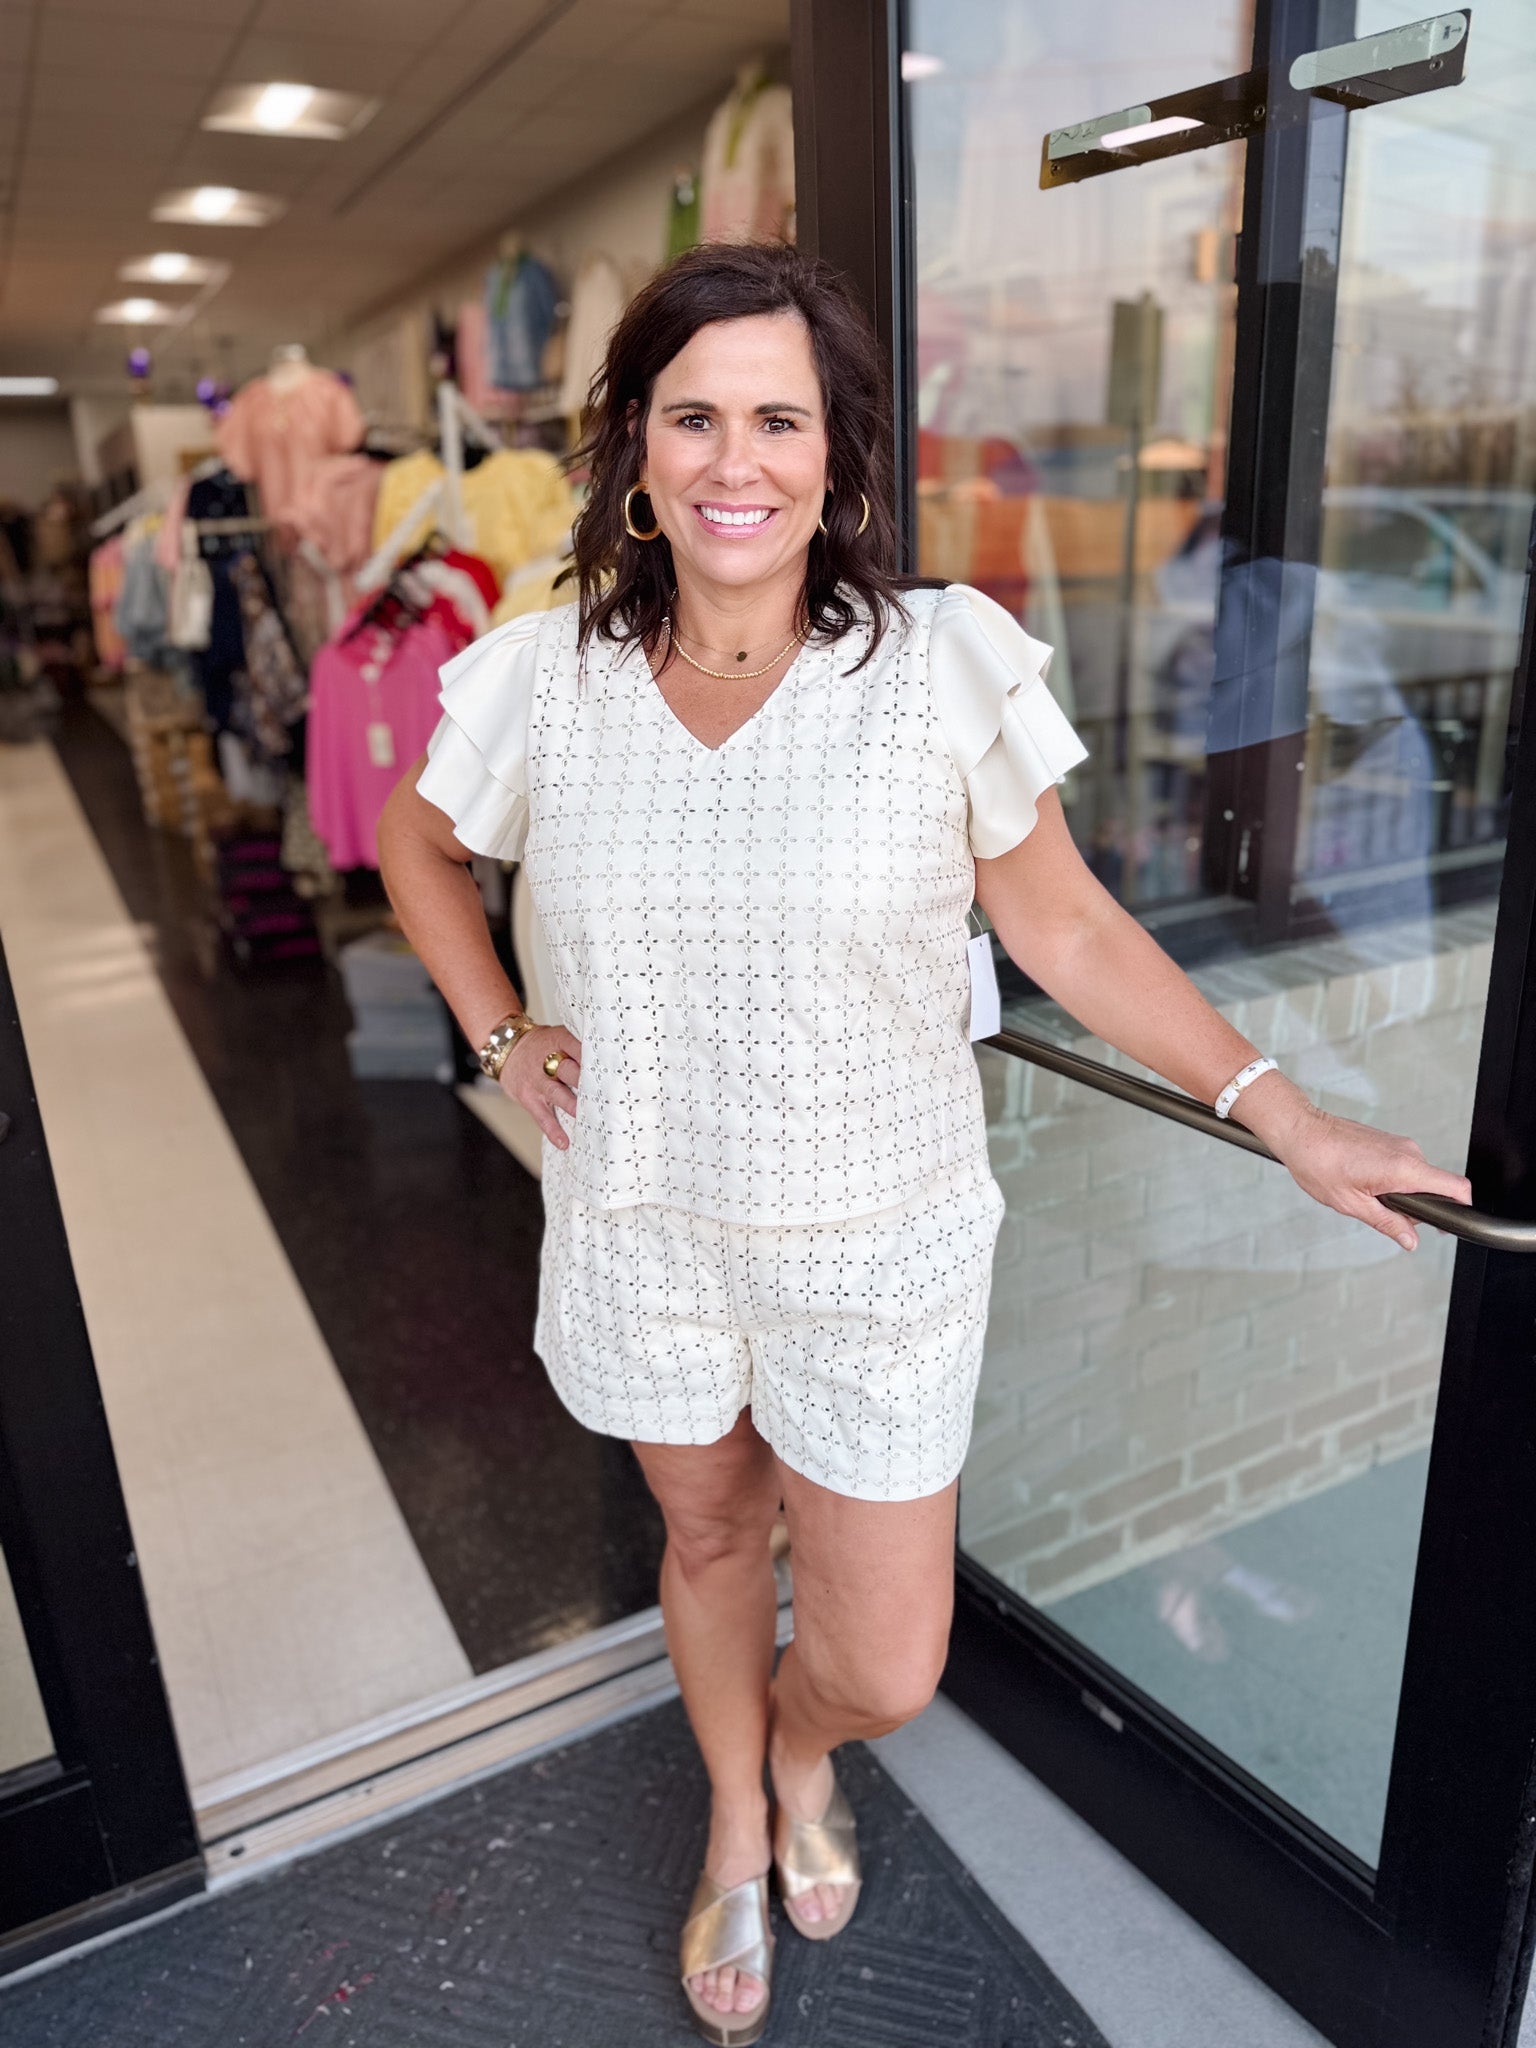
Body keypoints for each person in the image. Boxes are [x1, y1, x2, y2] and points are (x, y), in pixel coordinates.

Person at [377, 241, 1470, 2047]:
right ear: (635, 448)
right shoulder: (539, 680)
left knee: (886, 1659)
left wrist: (1284, 1117)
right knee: (709, 1542)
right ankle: (743, 1813)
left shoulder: (933, 665)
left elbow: (1074, 930)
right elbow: (417, 847)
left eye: (779, 420)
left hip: (875, 1242)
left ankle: (806, 1745)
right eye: (695, 418)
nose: (737, 461)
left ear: (837, 453)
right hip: (644, 1220)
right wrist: (501, 1028)